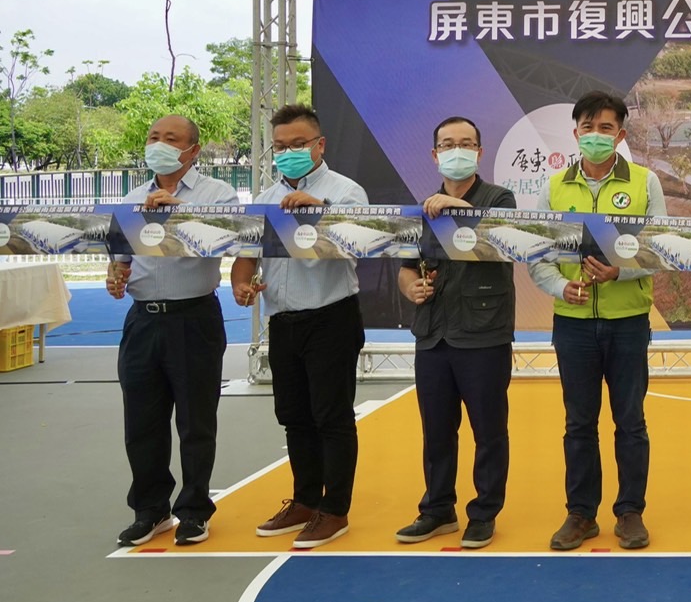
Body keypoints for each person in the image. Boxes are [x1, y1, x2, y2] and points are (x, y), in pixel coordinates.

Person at [532, 92, 666, 551]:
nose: (595, 136)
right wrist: (558, 287)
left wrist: (621, 271)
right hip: (571, 323)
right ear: (575, 134)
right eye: (587, 128)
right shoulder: (552, 187)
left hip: (628, 320)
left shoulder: (645, 183)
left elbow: (660, 249)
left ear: (621, 135)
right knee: (578, 424)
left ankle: (630, 513)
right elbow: (537, 255)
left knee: (630, 422)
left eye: (605, 128)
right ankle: (581, 514)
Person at [232, 104, 368, 549]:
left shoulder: (346, 193)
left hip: (331, 316)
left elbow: (358, 246)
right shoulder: (265, 199)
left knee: (332, 416)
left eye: (298, 144)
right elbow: (247, 253)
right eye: (281, 146)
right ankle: (306, 500)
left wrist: (320, 210)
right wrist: (241, 282)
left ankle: (335, 510)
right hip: (282, 319)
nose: (289, 152)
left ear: (319, 145)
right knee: (294, 417)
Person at [108, 115, 239, 547]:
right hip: (143, 319)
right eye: (153, 137)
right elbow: (121, 255)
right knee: (141, 421)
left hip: (193, 318)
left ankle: (195, 511)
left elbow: (225, 240)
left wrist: (174, 213)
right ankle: (150, 509)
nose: (159, 144)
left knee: (196, 422)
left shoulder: (218, 194)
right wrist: (117, 273)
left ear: (193, 151)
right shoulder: (131, 197)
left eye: (171, 139)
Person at [394, 116, 518, 550]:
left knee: (489, 429)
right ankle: (438, 509)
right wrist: (412, 287)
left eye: (466, 143)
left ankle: (484, 512)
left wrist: (458, 210)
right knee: (436, 430)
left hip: (483, 333)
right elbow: (407, 268)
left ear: (480, 152)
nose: (457, 150)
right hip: (432, 335)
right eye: (448, 144)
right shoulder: (421, 208)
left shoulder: (500, 198)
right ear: (435, 154)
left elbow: (502, 241)